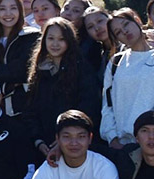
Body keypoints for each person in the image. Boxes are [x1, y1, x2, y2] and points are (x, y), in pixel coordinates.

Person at [20, 17, 100, 163]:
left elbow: (88, 107)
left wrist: (65, 140)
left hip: (74, 147)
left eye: (61, 39)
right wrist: (39, 141)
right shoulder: (38, 70)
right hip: (43, 148)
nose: (55, 44)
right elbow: (30, 110)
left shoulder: (82, 69)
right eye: (50, 38)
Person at [100, 8, 154, 149]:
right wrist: (112, 138)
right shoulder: (116, 63)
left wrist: (152, 137)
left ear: (137, 21)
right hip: (122, 146)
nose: (124, 32)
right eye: (118, 32)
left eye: (126, 25)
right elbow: (108, 105)